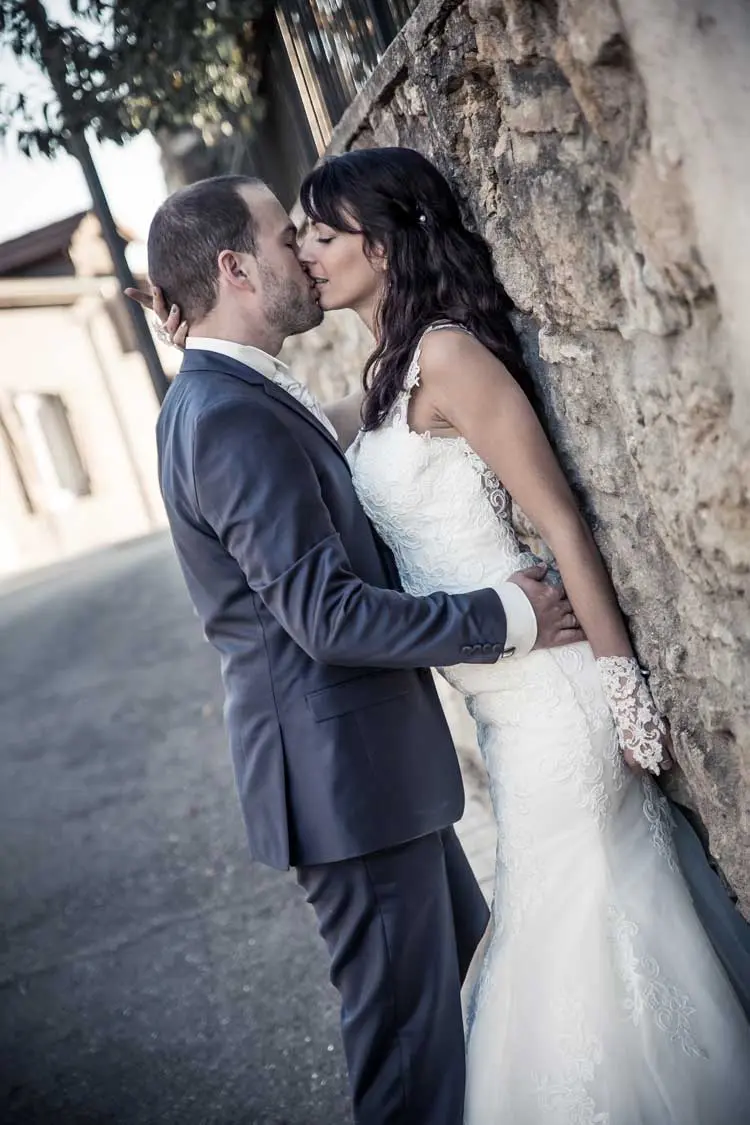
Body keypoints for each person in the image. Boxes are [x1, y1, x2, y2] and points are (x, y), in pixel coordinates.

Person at [290, 147, 750, 1123]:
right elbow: (286, 424)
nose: (305, 253)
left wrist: (627, 696)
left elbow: (564, 521)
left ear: (382, 237)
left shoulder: (451, 356)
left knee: (579, 928)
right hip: (502, 705)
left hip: (557, 697)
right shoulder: (382, 374)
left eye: (322, 235)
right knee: (565, 920)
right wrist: (208, 341)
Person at [139, 173, 585, 1125]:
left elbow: (335, 463)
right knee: (408, 1058)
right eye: (282, 236)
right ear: (235, 268)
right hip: (347, 787)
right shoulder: (226, 415)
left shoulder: (232, 396)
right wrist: (505, 615)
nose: (301, 250)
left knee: (475, 988)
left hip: (367, 777)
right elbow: (326, 614)